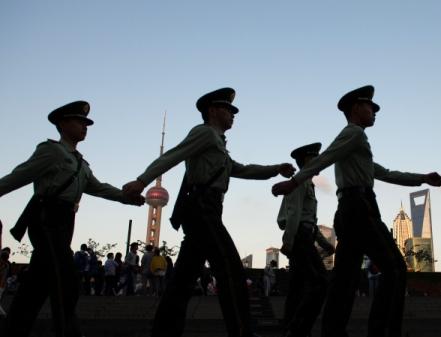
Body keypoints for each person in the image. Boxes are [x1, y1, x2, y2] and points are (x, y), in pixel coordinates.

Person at [272, 85, 441, 337]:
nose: (374, 112)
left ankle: (332, 332)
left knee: (344, 280)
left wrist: (422, 178)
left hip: (350, 210)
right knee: (395, 268)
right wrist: (294, 182)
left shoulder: (355, 145)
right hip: (360, 208)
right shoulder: (354, 134)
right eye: (370, 107)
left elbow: (385, 173)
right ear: (356, 108)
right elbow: (325, 158)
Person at [122, 87, 295, 337]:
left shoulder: (218, 144)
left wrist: (275, 168)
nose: (233, 114)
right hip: (202, 209)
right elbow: (173, 155)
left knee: (182, 279)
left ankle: (163, 331)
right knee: (230, 269)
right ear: (213, 111)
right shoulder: (204, 133)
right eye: (228, 109)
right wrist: (142, 181)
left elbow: (242, 169)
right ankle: (242, 331)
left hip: (208, 208)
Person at [0, 100, 144, 337]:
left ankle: (14, 330)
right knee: (65, 279)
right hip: (47, 218)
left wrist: (126, 198)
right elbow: (18, 176)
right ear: (63, 123)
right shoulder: (51, 151)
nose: (85, 126)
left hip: (65, 222)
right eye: (80, 121)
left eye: (86, 123)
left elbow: (98, 187)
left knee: (37, 283)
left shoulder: (80, 163)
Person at [277, 142, 335, 337]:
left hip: (305, 236)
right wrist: (289, 242)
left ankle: (290, 328)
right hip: (300, 238)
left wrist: (324, 243)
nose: (319, 162)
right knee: (319, 283)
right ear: (306, 161)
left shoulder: (308, 182)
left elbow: (309, 220)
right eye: (314, 158)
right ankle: (298, 328)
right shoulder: (300, 182)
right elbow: (294, 215)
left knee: (297, 287)